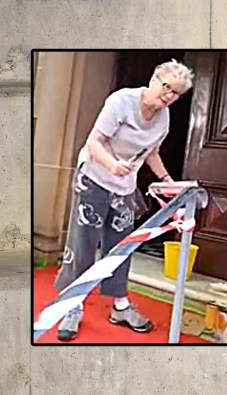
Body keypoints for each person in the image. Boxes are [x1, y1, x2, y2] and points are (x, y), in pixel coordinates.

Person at [52, 59, 194, 341]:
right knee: (83, 245)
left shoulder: (163, 118)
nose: (169, 96)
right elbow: (94, 142)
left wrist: (167, 181)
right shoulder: (122, 101)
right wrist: (112, 165)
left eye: (176, 93)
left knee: (121, 247)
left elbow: (151, 153)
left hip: (124, 186)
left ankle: (120, 306)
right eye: (167, 87)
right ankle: (72, 306)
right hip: (94, 177)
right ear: (154, 79)